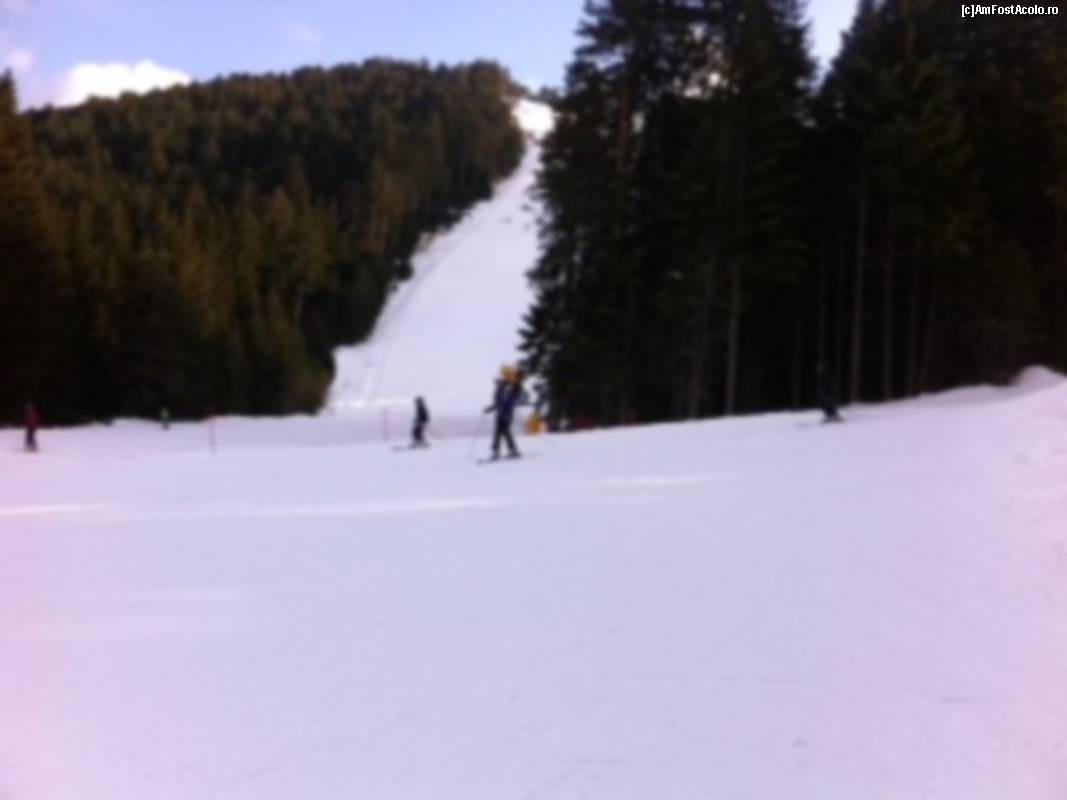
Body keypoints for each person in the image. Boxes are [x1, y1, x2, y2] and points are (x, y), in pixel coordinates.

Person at [484, 366, 525, 459]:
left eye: (496, 380)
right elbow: (499, 403)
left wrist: (506, 414)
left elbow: (508, 401)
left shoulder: (507, 387)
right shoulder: (503, 388)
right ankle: (512, 450)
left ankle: (497, 452)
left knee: (500, 432)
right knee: (504, 432)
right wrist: (489, 409)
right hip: (502, 414)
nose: (495, 382)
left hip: (505, 414)